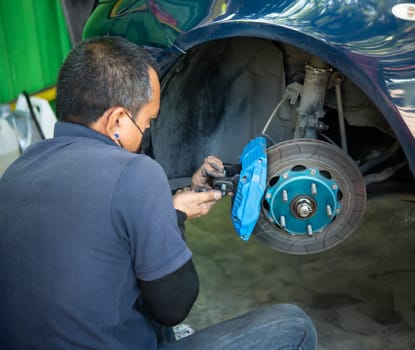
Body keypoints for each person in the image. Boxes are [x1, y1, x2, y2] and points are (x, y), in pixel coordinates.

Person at [0, 36, 317, 350]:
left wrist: (169, 205)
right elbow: (174, 307)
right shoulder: (135, 173)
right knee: (294, 325)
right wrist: (174, 217)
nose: (148, 131)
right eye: (148, 121)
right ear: (118, 120)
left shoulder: (19, 170)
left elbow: (104, 225)